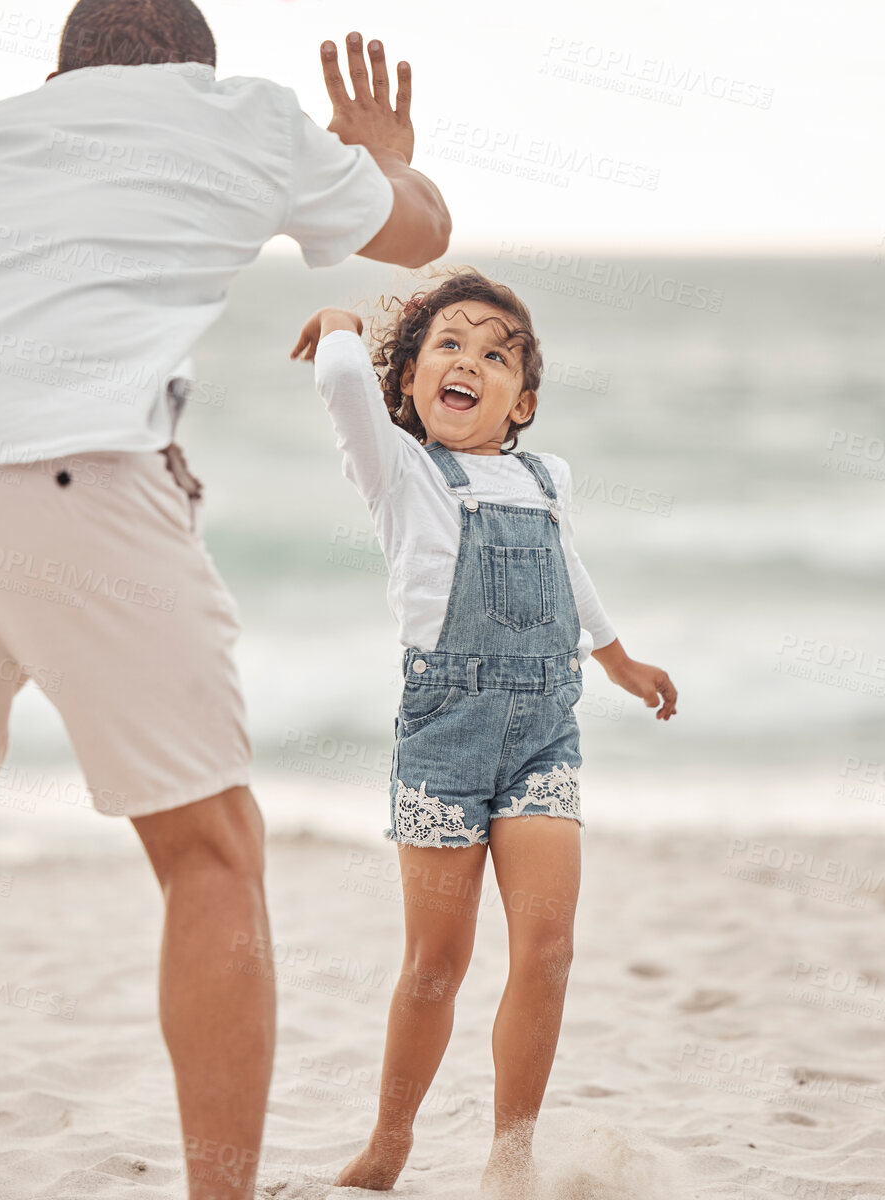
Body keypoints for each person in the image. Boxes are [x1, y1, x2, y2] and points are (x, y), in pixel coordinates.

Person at [0, 1, 450, 1195]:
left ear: (58, 75)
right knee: (208, 849)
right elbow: (416, 236)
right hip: (67, 460)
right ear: (196, 70)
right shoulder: (238, 113)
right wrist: (378, 153)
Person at [290, 270, 677, 1194]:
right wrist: (343, 320)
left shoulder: (551, 479)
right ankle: (390, 1141)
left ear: (524, 400)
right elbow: (343, 384)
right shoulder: (399, 470)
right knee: (437, 962)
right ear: (412, 385)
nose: (470, 361)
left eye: (496, 353)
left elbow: (568, 566)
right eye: (448, 346)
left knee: (547, 949)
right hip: (444, 734)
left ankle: (512, 1153)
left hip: (546, 730)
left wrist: (615, 657)